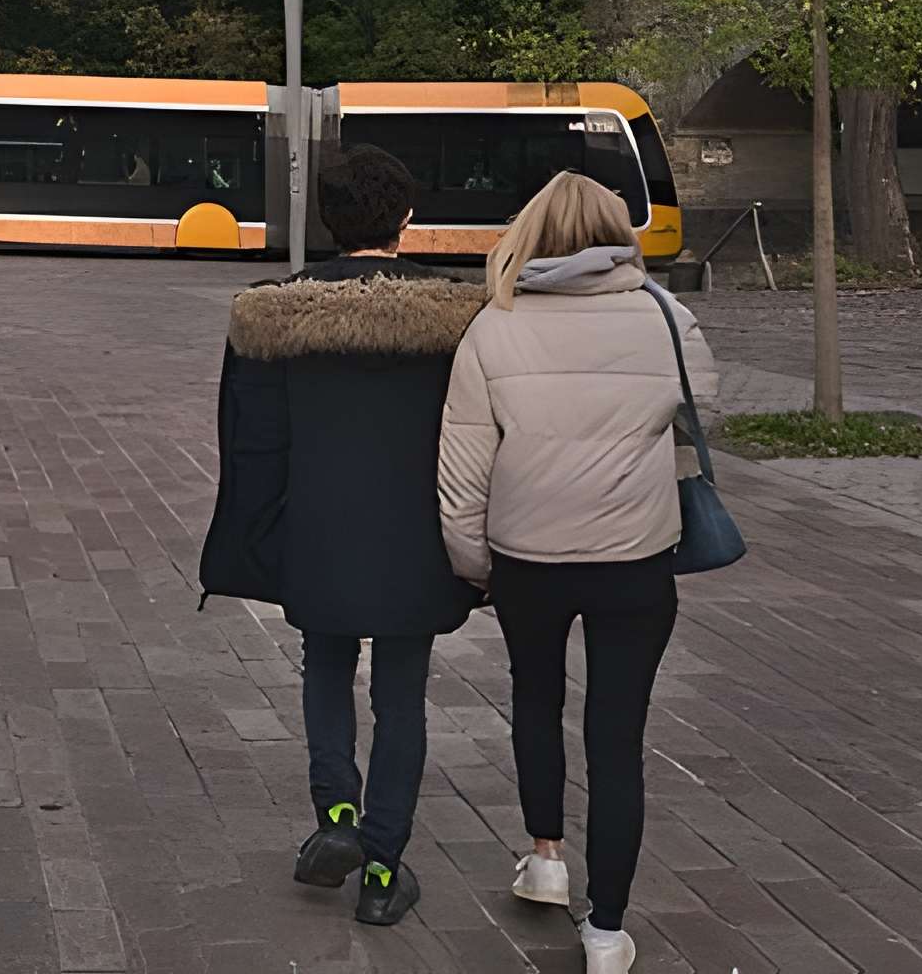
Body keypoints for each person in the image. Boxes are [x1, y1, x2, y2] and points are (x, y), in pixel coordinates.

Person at [199, 143, 483, 927]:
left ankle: (337, 818)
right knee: (403, 698)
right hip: (416, 540)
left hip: (316, 532)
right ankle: (385, 871)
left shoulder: (272, 314)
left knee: (323, 669)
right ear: (407, 220)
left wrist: (252, 542)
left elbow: (250, 443)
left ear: (326, 218)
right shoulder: (461, 318)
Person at [438, 170, 715, 974]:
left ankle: (546, 856)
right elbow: (707, 403)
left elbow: (463, 472)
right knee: (618, 737)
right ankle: (606, 931)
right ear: (616, 231)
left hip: (528, 557)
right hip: (636, 558)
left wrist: (473, 564)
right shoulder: (667, 317)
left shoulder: (495, 325)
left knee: (535, 698)